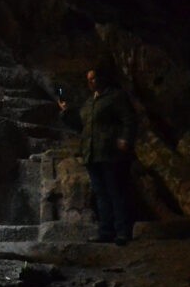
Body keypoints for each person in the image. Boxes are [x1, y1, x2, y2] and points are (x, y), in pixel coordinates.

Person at [58, 65, 138, 244]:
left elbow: (129, 119)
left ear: (103, 78)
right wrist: (66, 113)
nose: (90, 83)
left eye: (93, 78)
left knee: (116, 192)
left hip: (110, 153)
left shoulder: (115, 97)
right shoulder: (89, 102)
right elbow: (82, 126)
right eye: (88, 80)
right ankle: (106, 231)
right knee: (101, 194)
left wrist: (125, 139)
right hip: (92, 154)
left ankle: (123, 232)